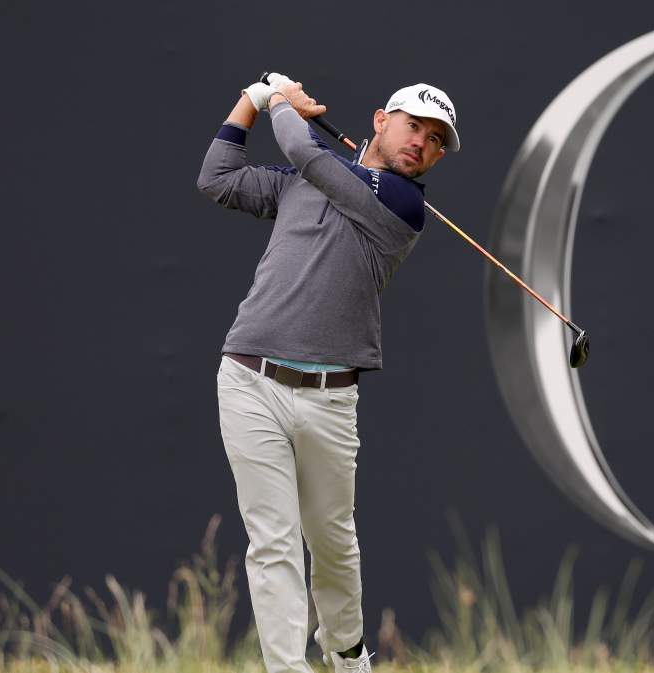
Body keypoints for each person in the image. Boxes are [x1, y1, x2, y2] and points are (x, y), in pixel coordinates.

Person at [196, 72, 460, 673]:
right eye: (414, 126)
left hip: (330, 398)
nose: (421, 142)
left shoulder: (404, 205)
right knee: (274, 542)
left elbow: (302, 150)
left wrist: (279, 99)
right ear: (380, 120)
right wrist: (249, 101)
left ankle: (345, 652)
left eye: (435, 140)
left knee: (332, 540)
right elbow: (217, 178)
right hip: (249, 380)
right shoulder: (304, 180)